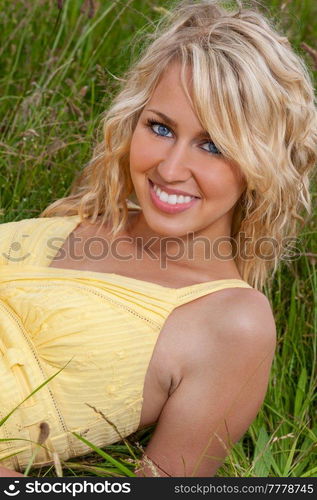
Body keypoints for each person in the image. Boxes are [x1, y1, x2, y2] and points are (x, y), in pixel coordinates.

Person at [0, 0, 316, 478]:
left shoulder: (233, 323)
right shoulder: (86, 215)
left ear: (261, 165)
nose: (169, 169)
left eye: (213, 146)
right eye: (161, 128)